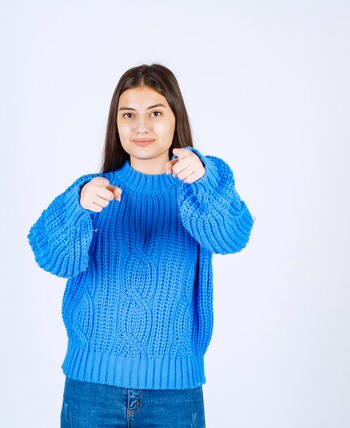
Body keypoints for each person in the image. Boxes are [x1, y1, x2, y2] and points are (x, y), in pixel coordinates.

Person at [27, 63, 254, 427]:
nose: (142, 126)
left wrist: (206, 179)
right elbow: (51, 257)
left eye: (156, 113)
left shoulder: (198, 192)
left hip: (174, 393)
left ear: (175, 118)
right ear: (116, 124)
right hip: (92, 388)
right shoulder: (94, 192)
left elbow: (232, 236)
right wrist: (77, 206)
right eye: (129, 114)